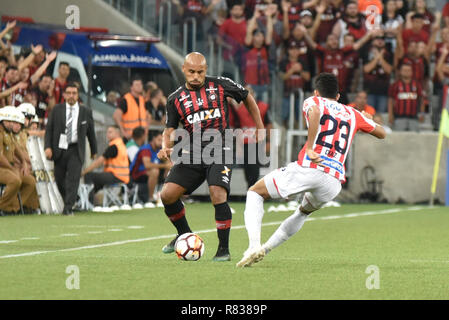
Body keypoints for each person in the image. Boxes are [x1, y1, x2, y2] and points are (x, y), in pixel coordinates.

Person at [236, 73, 387, 267]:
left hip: (310, 168)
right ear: (338, 96)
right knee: (302, 213)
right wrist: (368, 119)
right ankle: (265, 249)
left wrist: (309, 147)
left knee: (255, 192)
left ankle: (253, 246)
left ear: (316, 92)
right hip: (333, 181)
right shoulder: (353, 113)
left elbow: (315, 112)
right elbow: (382, 133)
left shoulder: (314, 101)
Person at [157, 52, 265, 261]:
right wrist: (165, 146)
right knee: (167, 195)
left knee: (217, 193)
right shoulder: (175, 99)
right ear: (184, 70)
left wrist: (259, 127)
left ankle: (223, 249)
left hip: (221, 147)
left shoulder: (221, 84)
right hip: (192, 151)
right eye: (191, 72)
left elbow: (247, 96)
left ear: (206, 70)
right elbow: (169, 129)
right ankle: (184, 234)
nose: (196, 76)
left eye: (200, 72)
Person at [44, 83, 97, 215]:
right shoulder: (56, 110)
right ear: (64, 95)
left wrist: (94, 150)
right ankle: (72, 199)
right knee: (59, 178)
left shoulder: (86, 111)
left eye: (74, 93)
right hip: (60, 149)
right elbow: (49, 130)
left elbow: (91, 132)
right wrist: (48, 147)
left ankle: (68, 207)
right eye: (69, 93)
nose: (71, 96)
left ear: (78, 95)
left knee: (73, 179)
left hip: (76, 149)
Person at [230, 85, 272, 189]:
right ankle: (251, 189)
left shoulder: (262, 107)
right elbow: (237, 127)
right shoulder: (238, 109)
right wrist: (238, 146)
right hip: (245, 142)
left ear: (253, 94)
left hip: (258, 141)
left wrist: (268, 141)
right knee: (247, 168)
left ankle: (252, 189)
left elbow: (269, 124)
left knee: (254, 168)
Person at [0, 106, 38, 216]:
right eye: (9, 121)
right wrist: (12, 168)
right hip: (3, 167)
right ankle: (3, 207)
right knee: (15, 180)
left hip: (8, 167)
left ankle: (14, 208)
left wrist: (24, 163)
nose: (12, 124)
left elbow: (17, 149)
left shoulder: (9, 133)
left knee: (30, 181)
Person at [81, 125, 130, 204]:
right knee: (96, 182)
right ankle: (82, 200)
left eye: (110, 132)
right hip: (123, 177)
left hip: (116, 176)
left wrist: (84, 171)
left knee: (89, 175)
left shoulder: (114, 146)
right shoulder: (121, 145)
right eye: (107, 132)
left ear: (117, 133)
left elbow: (99, 161)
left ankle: (88, 203)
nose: (108, 134)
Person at [130, 131, 171, 204]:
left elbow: (167, 162)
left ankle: (168, 196)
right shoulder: (146, 149)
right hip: (136, 174)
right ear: (153, 139)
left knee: (170, 167)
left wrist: (167, 165)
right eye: (159, 140)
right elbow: (147, 165)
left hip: (149, 174)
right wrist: (165, 166)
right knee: (155, 171)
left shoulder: (159, 150)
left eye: (162, 141)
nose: (160, 142)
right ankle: (151, 198)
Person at [387, 62, 425, 131]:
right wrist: (390, 115)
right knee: (399, 139)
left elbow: (421, 100)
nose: (406, 72)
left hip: (414, 118)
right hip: (399, 118)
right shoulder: (395, 85)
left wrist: (422, 113)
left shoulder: (417, 85)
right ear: (400, 72)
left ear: (411, 72)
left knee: (414, 139)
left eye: (408, 70)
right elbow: (391, 101)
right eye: (404, 70)